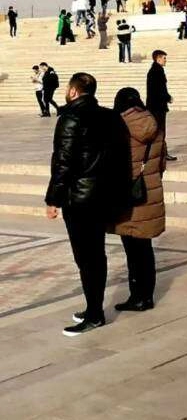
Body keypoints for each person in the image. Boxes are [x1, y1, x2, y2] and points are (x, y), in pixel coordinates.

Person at [45, 72, 131, 336]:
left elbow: (63, 162)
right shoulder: (111, 116)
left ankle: (95, 314)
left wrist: (53, 199)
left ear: (73, 91)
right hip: (104, 195)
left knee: (86, 257)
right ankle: (93, 307)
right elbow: (123, 157)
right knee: (95, 255)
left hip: (80, 199)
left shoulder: (71, 117)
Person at [110, 87, 166, 312]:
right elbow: (161, 163)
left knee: (132, 251)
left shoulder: (120, 125)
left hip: (128, 196)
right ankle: (147, 296)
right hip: (150, 193)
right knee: (145, 249)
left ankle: (137, 296)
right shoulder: (155, 123)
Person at [146, 50, 177, 161]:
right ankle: (161, 153)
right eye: (164, 58)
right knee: (160, 130)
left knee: (158, 130)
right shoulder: (157, 71)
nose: (165, 60)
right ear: (158, 58)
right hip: (157, 106)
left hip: (155, 106)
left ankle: (160, 152)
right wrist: (168, 97)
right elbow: (159, 89)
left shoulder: (155, 70)